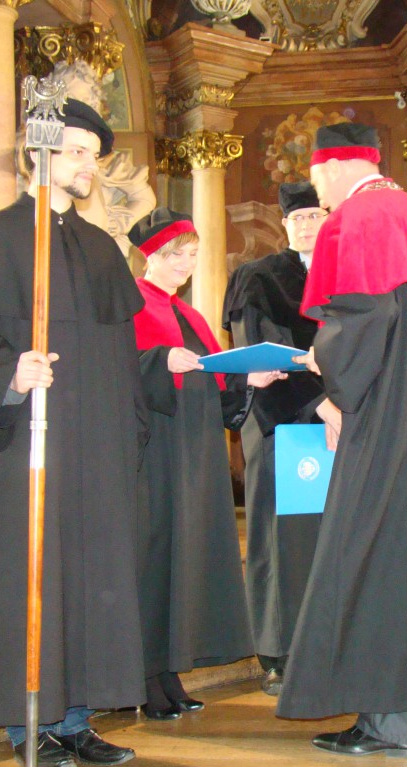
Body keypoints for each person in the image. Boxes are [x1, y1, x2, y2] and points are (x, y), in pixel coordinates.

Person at [0, 99, 143, 767]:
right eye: (75, 152)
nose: (88, 166)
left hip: (93, 451)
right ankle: (30, 728)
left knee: (87, 579)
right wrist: (12, 377)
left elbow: (123, 361)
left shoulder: (102, 249)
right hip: (21, 447)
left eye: (93, 156)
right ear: (37, 154)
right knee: (27, 576)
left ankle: (74, 720)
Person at [280, 122, 407, 756]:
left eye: (317, 179)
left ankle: (389, 724)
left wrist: (332, 382)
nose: (318, 193)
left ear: (336, 166)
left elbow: (360, 319)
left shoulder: (358, 218)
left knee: (375, 554)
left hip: (390, 415)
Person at [128, 208, 284, 721]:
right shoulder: (130, 305)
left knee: (184, 558)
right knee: (153, 560)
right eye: (176, 255)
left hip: (194, 454)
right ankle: (145, 677)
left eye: (192, 255)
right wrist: (159, 361)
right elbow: (116, 372)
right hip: (154, 453)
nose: (185, 265)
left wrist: (248, 379)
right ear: (150, 256)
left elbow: (214, 380)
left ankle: (169, 672)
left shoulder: (190, 316)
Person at [221, 181, 336, 696]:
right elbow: (262, 354)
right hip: (285, 424)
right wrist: (321, 404)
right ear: (285, 224)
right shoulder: (259, 277)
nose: (308, 224)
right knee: (284, 538)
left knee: (336, 534)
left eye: (316, 216)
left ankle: (333, 642)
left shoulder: (345, 277)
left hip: (348, 424)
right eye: (299, 217)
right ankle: (281, 652)